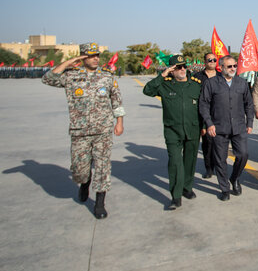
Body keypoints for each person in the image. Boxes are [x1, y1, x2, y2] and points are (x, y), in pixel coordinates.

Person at [41, 42, 125, 219]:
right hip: (80, 131)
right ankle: (84, 183)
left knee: (103, 167)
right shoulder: (71, 76)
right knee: (80, 170)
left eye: (97, 56)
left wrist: (119, 122)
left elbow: (116, 100)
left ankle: (100, 203)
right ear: (83, 57)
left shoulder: (107, 76)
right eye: (91, 56)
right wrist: (69, 62)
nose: (95, 59)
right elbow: (48, 78)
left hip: (103, 130)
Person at [143, 54, 203, 209]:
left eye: (184, 66)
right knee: (175, 163)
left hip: (193, 128)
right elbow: (147, 90)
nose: (182, 69)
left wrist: (204, 126)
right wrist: (162, 75)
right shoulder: (164, 84)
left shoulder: (197, 85)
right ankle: (176, 196)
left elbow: (204, 107)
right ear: (171, 70)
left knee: (189, 161)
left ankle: (187, 188)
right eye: (178, 67)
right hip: (172, 130)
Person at [199, 55, 255, 201]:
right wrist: (209, 123)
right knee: (220, 160)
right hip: (218, 128)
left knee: (243, 154)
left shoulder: (242, 83)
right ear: (221, 67)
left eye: (235, 66)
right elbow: (203, 104)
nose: (233, 69)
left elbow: (249, 104)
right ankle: (224, 189)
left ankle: (234, 178)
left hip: (238, 127)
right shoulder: (211, 83)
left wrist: (249, 123)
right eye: (229, 66)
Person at [192, 52, 218, 179]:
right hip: (204, 114)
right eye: (209, 60)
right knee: (207, 143)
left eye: (214, 60)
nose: (212, 62)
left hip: (219, 114)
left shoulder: (221, 76)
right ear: (205, 62)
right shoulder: (197, 77)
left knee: (219, 143)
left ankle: (218, 166)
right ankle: (209, 168)